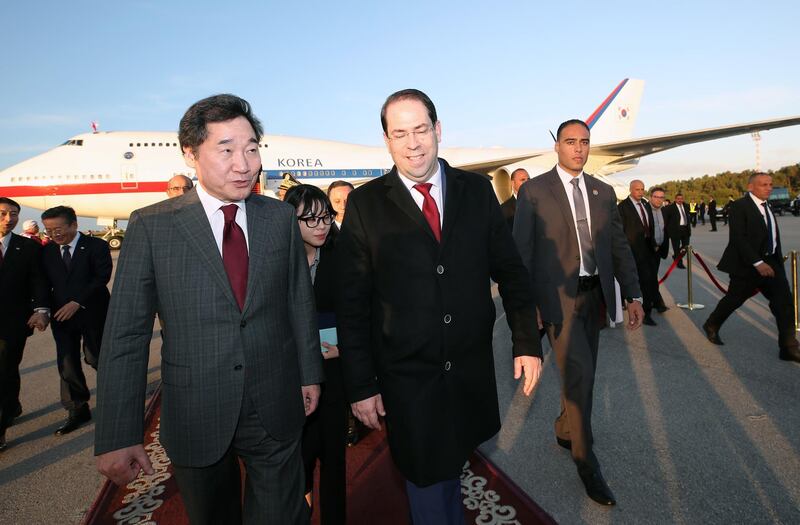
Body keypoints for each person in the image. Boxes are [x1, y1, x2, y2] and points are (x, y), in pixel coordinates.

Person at [94, 94, 323, 524]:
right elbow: (126, 335)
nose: (245, 164)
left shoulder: (278, 219)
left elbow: (298, 301)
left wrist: (309, 372)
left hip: (275, 401)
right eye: (227, 149)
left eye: (252, 147)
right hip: (197, 410)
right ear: (189, 153)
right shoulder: (152, 226)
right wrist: (117, 433)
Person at [336, 89, 542, 523]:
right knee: (426, 480)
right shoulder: (366, 203)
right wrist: (360, 385)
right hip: (408, 380)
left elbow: (511, 271)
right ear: (387, 141)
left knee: (449, 473)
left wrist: (526, 341)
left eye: (420, 129)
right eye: (400, 133)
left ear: (438, 130)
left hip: (469, 373)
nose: (413, 143)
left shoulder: (477, 191)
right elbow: (353, 305)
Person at [513, 119, 644, 507]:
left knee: (583, 376)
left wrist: (634, 294)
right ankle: (587, 463)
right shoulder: (535, 191)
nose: (579, 149)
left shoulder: (604, 191)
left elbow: (618, 245)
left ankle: (564, 427)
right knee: (580, 377)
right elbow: (522, 253)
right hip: (557, 301)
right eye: (571, 142)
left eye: (585, 142)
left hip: (595, 298)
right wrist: (529, 307)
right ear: (557, 146)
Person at [286, 184, 347, 524]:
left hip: (335, 374)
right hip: (291, 379)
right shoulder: (276, 262)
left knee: (335, 460)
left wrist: (345, 348)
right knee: (298, 462)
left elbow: (360, 313)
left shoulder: (343, 258)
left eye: (325, 216)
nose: (320, 225)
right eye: (309, 219)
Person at [703, 173, 800, 363]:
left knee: (784, 303)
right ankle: (712, 324)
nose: (769, 188)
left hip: (772, 263)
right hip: (747, 265)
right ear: (750, 187)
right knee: (734, 299)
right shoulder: (740, 206)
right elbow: (739, 238)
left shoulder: (767, 206)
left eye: (771, 184)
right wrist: (758, 263)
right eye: (764, 184)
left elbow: (771, 236)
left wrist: (774, 261)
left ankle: (788, 347)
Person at [40, 205, 112, 436]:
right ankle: (77, 408)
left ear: (74, 224)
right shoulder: (47, 251)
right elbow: (42, 284)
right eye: (49, 230)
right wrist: (41, 309)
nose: (54, 234)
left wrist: (77, 302)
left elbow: (101, 277)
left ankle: (117, 401)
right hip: (62, 316)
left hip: (92, 312)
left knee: (97, 357)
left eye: (58, 228)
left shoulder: (96, 246)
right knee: (67, 362)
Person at [0, 198, 49, 451]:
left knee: (6, 368)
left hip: (12, 322)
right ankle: (10, 406)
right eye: (3, 213)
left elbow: (38, 281)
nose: (9, 219)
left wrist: (41, 310)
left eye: (14, 214)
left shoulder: (27, 247)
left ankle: (1, 425)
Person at [618, 180, 658, 326]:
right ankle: (634, 306)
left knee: (648, 281)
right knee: (636, 282)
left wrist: (653, 244)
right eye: (637, 189)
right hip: (632, 251)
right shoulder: (622, 207)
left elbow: (650, 225)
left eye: (642, 189)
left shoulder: (646, 205)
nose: (640, 192)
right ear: (630, 190)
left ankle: (647, 311)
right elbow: (620, 232)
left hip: (647, 250)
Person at [649, 187, 670, 313]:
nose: (658, 200)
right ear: (651, 197)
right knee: (649, 277)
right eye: (656, 197)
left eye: (661, 197)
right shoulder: (645, 211)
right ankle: (657, 302)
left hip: (658, 250)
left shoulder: (665, 212)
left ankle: (656, 302)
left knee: (652, 276)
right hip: (647, 250)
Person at [664, 193, 691, 269]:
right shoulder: (670, 208)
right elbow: (666, 220)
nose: (680, 200)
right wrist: (667, 231)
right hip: (675, 231)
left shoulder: (686, 206)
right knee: (676, 248)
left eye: (681, 198)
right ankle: (679, 263)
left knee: (686, 247)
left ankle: (676, 256)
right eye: (678, 199)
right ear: (675, 199)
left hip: (685, 229)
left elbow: (692, 212)